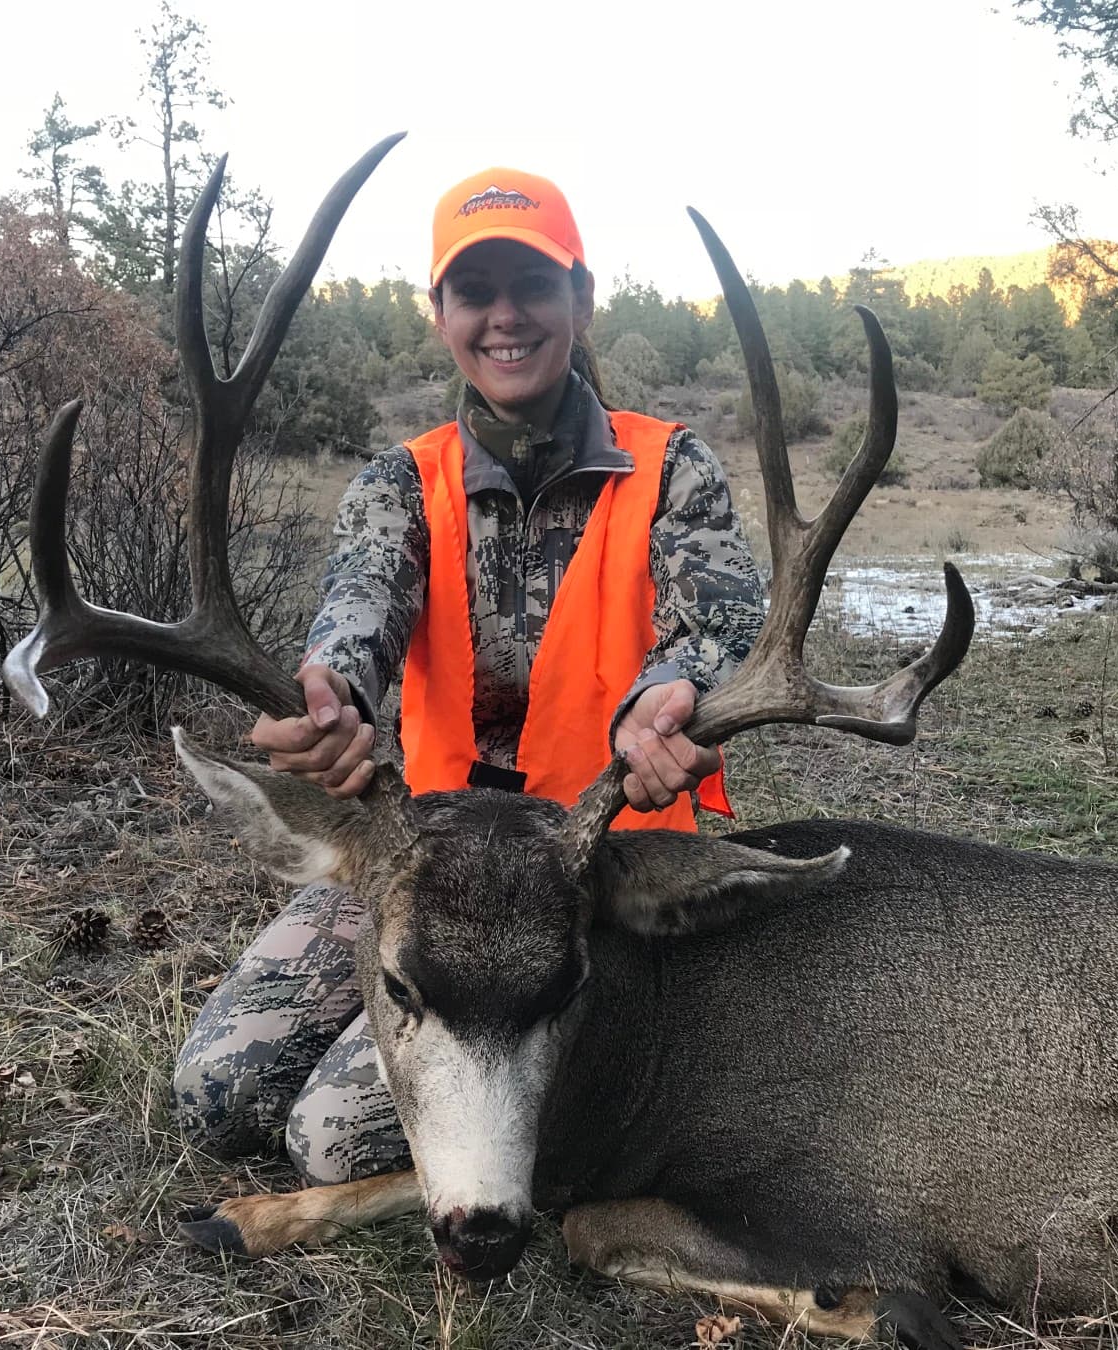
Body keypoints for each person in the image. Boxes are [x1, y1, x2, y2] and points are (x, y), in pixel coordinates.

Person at [170, 167, 765, 1182]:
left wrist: (674, 695)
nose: (504, 317)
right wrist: (330, 698)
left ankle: (551, 1132)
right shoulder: (402, 483)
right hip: (428, 857)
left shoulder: (674, 468)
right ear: (439, 312)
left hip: (591, 865)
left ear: (581, 299)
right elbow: (358, 610)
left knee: (334, 1142)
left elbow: (719, 625)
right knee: (221, 1092)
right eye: (474, 290)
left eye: (531, 285)